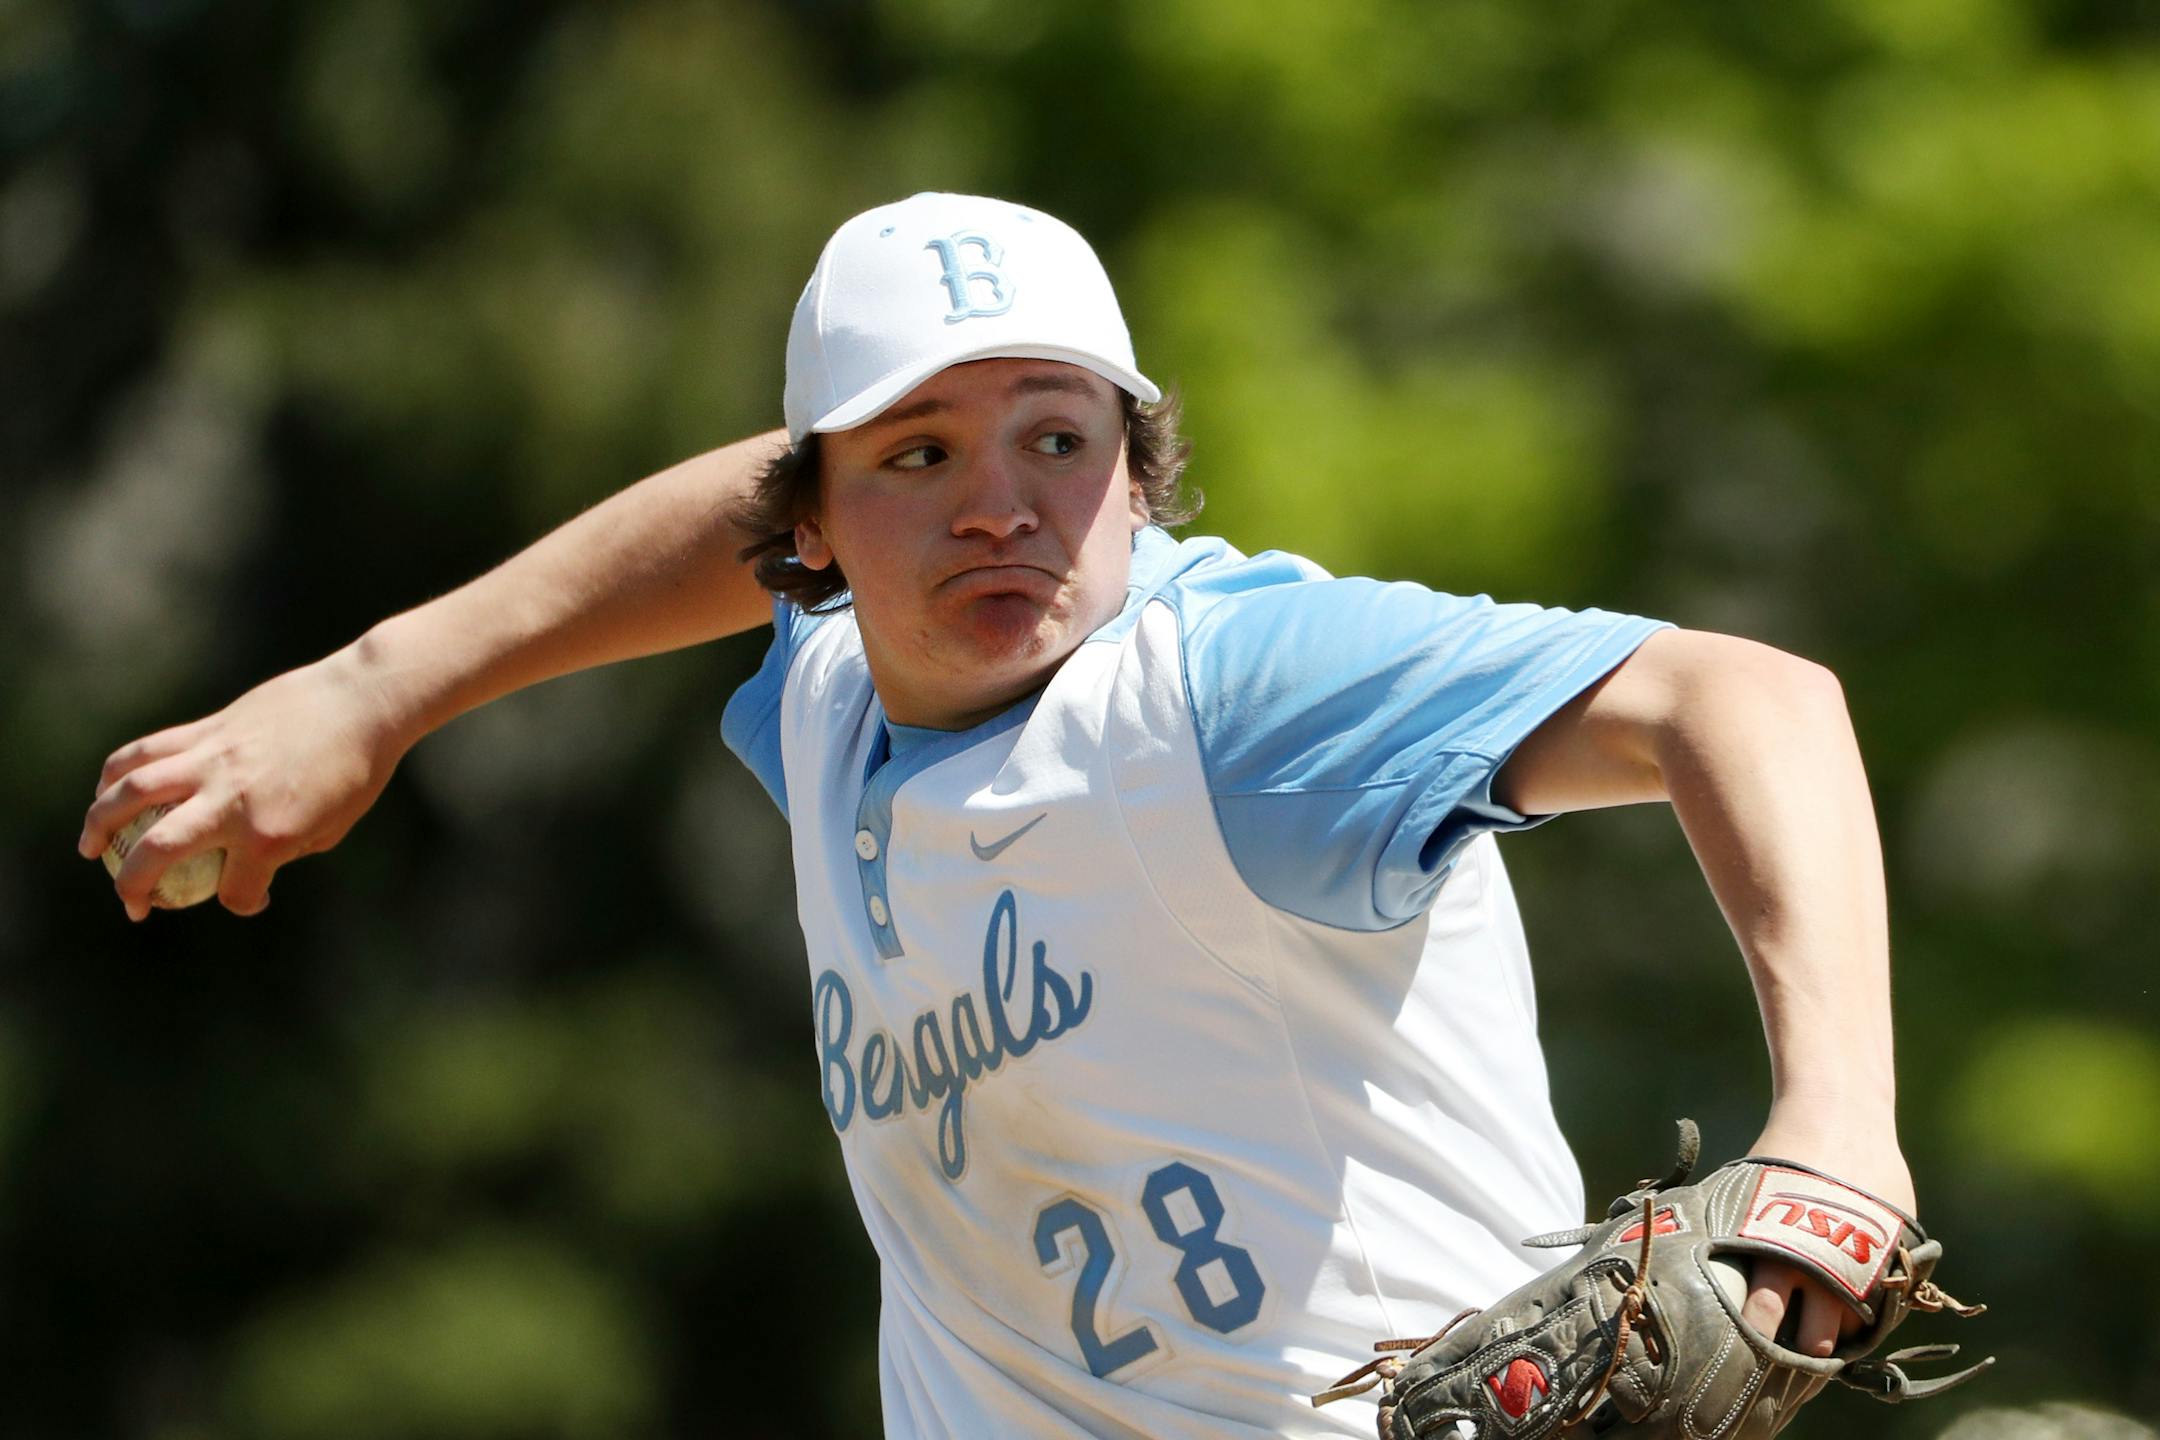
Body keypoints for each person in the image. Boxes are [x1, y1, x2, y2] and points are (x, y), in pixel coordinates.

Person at [80, 192, 1913, 1438]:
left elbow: (1747, 698)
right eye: (921, 456)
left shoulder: (1238, 694)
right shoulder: (827, 691)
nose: (1000, 505)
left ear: (1139, 471)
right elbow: (741, 498)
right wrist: (373, 684)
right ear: (810, 530)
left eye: (1061, 439)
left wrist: (1836, 1127)